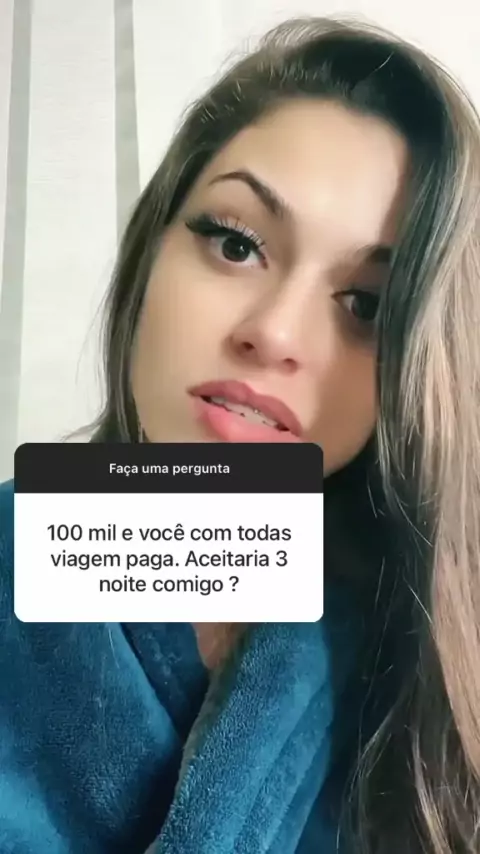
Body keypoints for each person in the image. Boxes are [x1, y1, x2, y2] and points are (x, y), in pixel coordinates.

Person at [1, 14, 479, 854]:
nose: (277, 333)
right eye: (236, 243)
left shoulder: (434, 676)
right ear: (151, 249)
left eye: (366, 305)